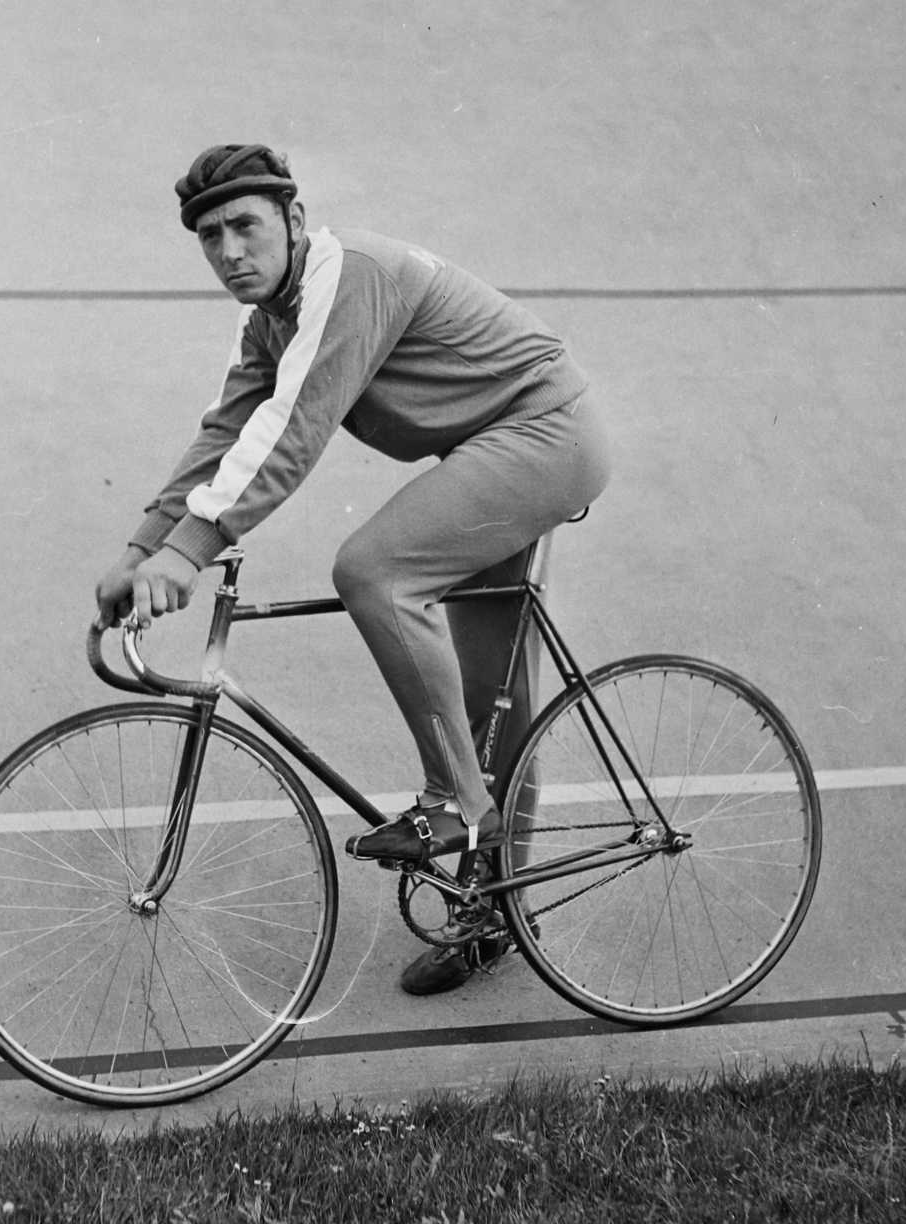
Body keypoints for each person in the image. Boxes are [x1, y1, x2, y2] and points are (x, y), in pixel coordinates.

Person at [95, 144, 613, 994]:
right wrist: (139, 548)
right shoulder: (271, 315)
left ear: (294, 221)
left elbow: (293, 433)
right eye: (210, 237)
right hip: (498, 445)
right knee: (488, 701)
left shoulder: (348, 278)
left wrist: (189, 552)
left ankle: (453, 800)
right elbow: (227, 431)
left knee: (374, 571)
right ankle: (496, 912)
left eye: (245, 227)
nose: (229, 252)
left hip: (546, 435)